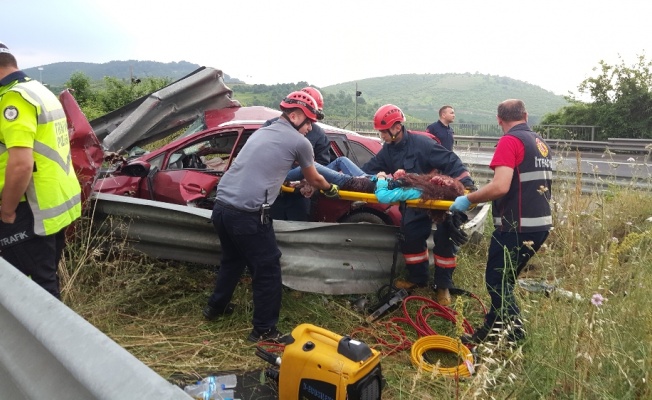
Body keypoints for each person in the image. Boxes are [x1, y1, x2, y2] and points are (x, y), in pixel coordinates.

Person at [204, 90, 339, 342]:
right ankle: (264, 330)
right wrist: (331, 189)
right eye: (309, 122)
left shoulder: (262, 131)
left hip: (221, 207)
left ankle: (215, 307)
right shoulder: (300, 142)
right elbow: (315, 178)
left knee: (232, 260)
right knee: (267, 269)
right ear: (295, 115)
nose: (311, 128)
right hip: (248, 214)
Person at [450, 99, 552, 344]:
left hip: (517, 226)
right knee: (504, 281)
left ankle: (516, 336)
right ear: (525, 116)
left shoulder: (510, 141)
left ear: (498, 119)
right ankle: (491, 331)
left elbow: (500, 186)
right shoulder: (539, 142)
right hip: (540, 226)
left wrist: (468, 201)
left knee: (497, 282)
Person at [362, 104, 475, 305]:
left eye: (383, 132)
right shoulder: (387, 151)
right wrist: (349, 178)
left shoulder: (423, 144)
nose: (381, 137)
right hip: (415, 202)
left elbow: (451, 161)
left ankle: (443, 286)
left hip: (439, 199)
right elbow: (369, 169)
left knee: (445, 240)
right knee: (411, 236)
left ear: (396, 127)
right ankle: (418, 278)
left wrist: (467, 185)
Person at [0, 41, 82, 299]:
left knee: (34, 288)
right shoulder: (38, 90)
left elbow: (21, 163)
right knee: (45, 276)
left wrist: (7, 209)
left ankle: (49, 336)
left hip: (28, 208)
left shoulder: (13, 99)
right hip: (54, 203)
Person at [263, 87, 331, 221]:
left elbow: (322, 165)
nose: (310, 126)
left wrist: (309, 183)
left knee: (297, 234)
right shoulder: (271, 126)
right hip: (273, 195)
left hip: (299, 198)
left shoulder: (318, 134)